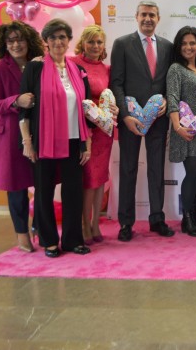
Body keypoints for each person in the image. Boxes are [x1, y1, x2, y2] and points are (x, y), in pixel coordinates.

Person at [18, 19, 92, 258]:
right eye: (53, 38)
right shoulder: (34, 68)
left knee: (73, 191)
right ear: (46, 42)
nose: (58, 42)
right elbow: (25, 109)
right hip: (44, 139)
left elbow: (87, 109)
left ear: (69, 41)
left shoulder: (78, 70)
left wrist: (86, 144)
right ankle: (49, 241)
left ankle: (72, 240)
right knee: (43, 191)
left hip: (73, 139)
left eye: (62, 37)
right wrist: (27, 142)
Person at [111, 0, 174, 241]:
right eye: (144, 15)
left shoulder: (167, 47)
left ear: (159, 19)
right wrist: (125, 115)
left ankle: (157, 218)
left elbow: (170, 80)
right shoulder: (122, 44)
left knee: (157, 169)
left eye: (152, 15)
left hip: (157, 117)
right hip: (131, 119)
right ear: (136, 17)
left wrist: (168, 99)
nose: (148, 19)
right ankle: (126, 223)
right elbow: (116, 82)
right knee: (128, 168)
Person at [0, 21, 42, 252]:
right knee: (16, 187)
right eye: (11, 41)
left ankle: (40, 226)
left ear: (29, 42)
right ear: (4, 44)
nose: (16, 44)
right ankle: (22, 234)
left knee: (42, 181)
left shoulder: (39, 65)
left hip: (37, 131)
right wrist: (16, 101)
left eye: (20, 39)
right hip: (9, 136)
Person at [166, 26, 196, 237]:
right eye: (184, 43)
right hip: (186, 130)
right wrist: (178, 127)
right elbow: (173, 98)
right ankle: (187, 218)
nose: (188, 47)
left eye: (192, 43)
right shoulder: (176, 69)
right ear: (179, 46)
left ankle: (193, 217)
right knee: (193, 174)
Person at [71, 25, 118, 245]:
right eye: (91, 42)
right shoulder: (73, 64)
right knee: (88, 180)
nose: (95, 46)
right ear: (83, 43)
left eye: (99, 42)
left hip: (104, 132)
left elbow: (111, 97)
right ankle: (84, 225)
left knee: (100, 179)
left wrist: (114, 109)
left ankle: (96, 224)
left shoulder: (107, 69)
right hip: (84, 131)